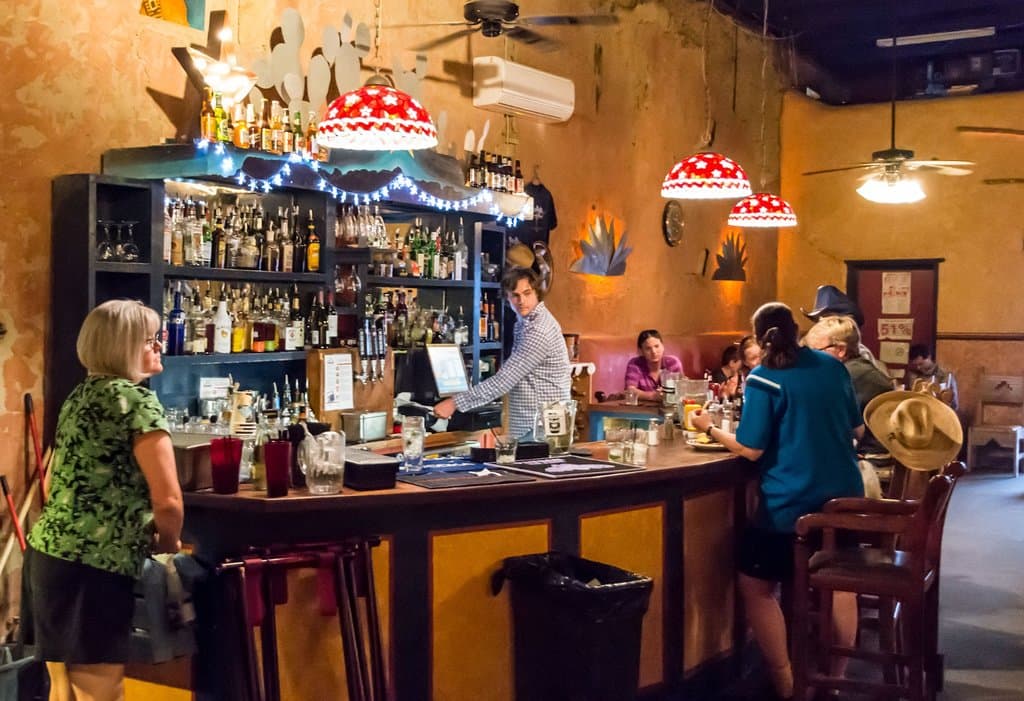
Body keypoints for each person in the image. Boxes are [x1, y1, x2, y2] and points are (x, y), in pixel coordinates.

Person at [691, 303, 864, 701]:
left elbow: (751, 450)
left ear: (758, 336)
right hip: (843, 501)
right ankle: (836, 679)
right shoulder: (832, 366)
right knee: (841, 586)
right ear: (797, 330)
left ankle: (787, 684)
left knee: (756, 586)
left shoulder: (764, 379)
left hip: (792, 506)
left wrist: (710, 428)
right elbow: (857, 426)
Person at [23, 299, 183, 700]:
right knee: (100, 692)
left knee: (64, 691)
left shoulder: (79, 397)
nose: (159, 346)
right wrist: (169, 543)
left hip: (48, 556)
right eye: (150, 340)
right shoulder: (137, 403)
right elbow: (168, 502)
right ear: (123, 347)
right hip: (94, 566)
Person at [434, 267, 570, 438]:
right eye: (515, 295)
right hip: (537, 424)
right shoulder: (525, 323)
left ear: (537, 293)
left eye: (527, 293)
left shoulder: (538, 331)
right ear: (507, 298)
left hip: (541, 427)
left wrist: (454, 403)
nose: (522, 300)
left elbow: (505, 380)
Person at [623, 329, 683, 402]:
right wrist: (653, 396)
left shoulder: (673, 363)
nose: (654, 352)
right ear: (640, 351)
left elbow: (681, 388)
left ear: (663, 347)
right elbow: (630, 391)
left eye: (657, 346)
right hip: (642, 410)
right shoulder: (635, 364)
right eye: (648, 348)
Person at [905, 343, 959, 411]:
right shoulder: (914, 375)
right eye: (916, 365)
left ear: (929, 357)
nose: (918, 367)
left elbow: (954, 405)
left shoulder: (945, 375)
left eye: (921, 364)